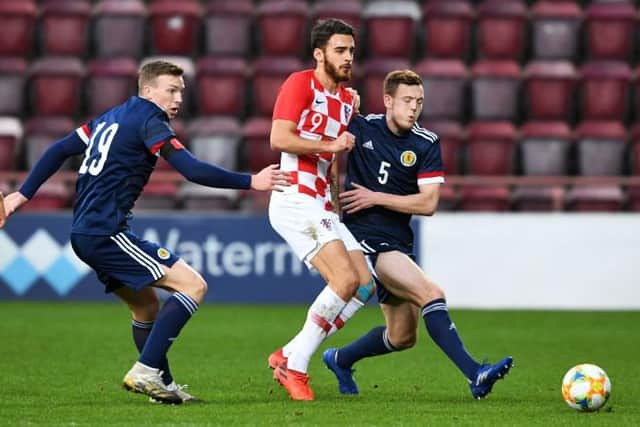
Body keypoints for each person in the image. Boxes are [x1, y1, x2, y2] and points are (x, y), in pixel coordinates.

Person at [0, 60, 291, 404]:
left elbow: (59, 149)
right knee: (193, 285)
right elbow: (192, 170)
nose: (178, 97)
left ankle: (160, 384)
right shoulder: (150, 120)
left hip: (85, 232)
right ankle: (146, 369)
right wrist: (250, 181)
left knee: (145, 308)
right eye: (171, 89)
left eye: (181, 90)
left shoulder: (110, 117)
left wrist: (22, 194)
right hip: (105, 232)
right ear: (149, 90)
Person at [322, 70, 513, 399]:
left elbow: (428, 203)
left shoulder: (425, 143)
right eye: (407, 100)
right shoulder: (360, 126)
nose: (414, 108)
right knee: (431, 293)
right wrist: (342, 101)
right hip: (364, 239)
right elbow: (322, 137)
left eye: (419, 102)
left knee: (402, 337)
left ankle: (339, 358)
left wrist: (375, 197)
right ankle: (476, 374)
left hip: (397, 242)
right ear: (388, 101)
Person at [266, 18, 376, 401]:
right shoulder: (300, 83)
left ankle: (288, 353)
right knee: (343, 280)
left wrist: (332, 196)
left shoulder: (347, 100)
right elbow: (279, 137)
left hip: (321, 202)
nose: (348, 58)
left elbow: (334, 160)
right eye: (340, 50)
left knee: (364, 284)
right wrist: (332, 146)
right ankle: (296, 369)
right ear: (319, 54)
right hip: (294, 197)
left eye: (351, 51)